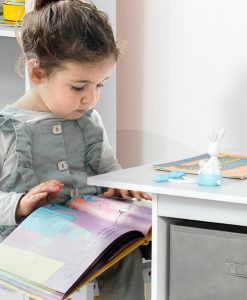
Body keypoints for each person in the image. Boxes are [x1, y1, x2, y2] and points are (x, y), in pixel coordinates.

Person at [0, 0, 150, 299]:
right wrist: (21, 204)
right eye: (79, 87)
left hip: (89, 238)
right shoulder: (6, 130)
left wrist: (118, 188)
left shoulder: (89, 122)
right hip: (28, 246)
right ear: (37, 73)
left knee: (126, 256)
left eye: (100, 85)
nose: (91, 99)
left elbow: (108, 169)